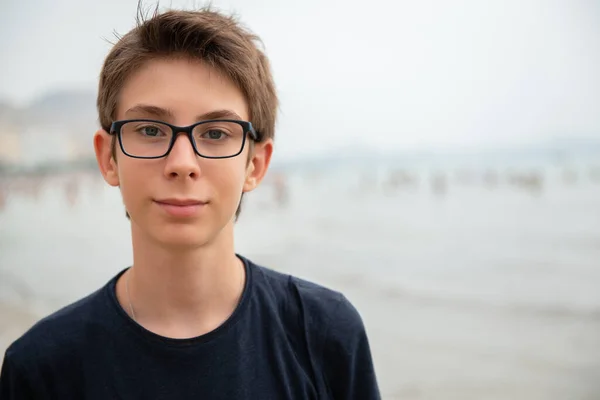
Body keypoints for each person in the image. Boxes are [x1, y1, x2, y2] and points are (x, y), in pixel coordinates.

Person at [0, 6, 380, 399]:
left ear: (256, 164)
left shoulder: (322, 333)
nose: (182, 164)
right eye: (149, 129)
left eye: (216, 133)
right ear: (108, 158)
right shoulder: (41, 367)